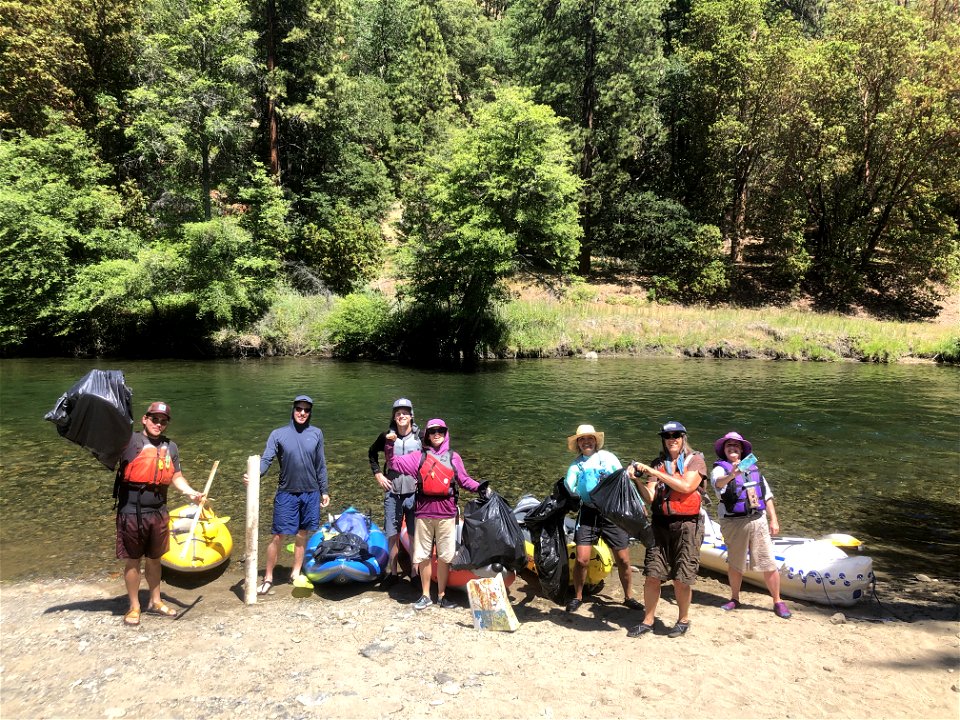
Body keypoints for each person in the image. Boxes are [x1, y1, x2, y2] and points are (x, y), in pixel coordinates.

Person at [115, 401, 205, 627]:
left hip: (158, 511)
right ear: (144, 419)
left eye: (163, 421)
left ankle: (155, 600)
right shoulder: (128, 441)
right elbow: (106, 445)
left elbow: (175, 477)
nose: (158, 424)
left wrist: (191, 492)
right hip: (131, 511)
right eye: (154, 419)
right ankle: (134, 606)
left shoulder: (170, 447)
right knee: (133, 560)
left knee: (155, 560)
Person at [384, 418, 489, 610]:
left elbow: (464, 480)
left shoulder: (453, 457)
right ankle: (425, 595)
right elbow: (394, 464)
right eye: (432, 431)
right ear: (427, 435)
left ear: (446, 432)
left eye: (440, 430)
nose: (436, 434)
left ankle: (442, 595)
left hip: (447, 513)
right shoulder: (419, 457)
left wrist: (481, 488)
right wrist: (390, 444)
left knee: (445, 556)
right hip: (424, 513)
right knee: (423, 555)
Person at [627, 420, 708, 638]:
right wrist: (636, 481)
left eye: (676, 435)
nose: (672, 439)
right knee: (653, 574)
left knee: (682, 577)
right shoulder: (658, 464)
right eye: (667, 436)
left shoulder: (696, 461)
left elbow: (686, 487)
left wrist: (653, 471)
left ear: (683, 438)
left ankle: (683, 619)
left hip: (688, 525)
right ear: (663, 440)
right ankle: (648, 619)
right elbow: (651, 496)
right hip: (660, 525)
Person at [247, 395, 330, 594]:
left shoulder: (316, 433)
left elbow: (320, 464)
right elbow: (266, 459)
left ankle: (295, 572)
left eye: (306, 410)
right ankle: (268, 577)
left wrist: (324, 490)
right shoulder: (278, 434)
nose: (302, 413)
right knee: (278, 535)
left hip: (311, 493)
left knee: (302, 534)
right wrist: (254, 474)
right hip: (287, 493)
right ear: (293, 410)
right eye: (299, 409)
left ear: (310, 413)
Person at [710, 431, 791, 619]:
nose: (732, 448)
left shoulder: (753, 469)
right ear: (724, 450)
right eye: (729, 445)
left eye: (736, 445)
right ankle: (735, 598)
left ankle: (777, 601)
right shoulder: (719, 470)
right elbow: (718, 484)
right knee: (736, 562)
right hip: (733, 522)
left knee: (768, 561)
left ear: (741, 451)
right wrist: (732, 474)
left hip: (757, 520)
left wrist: (774, 520)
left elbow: (767, 495)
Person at [563, 424, 641, 613]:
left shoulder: (608, 458)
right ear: (578, 444)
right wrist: (569, 492)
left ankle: (629, 596)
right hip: (588, 513)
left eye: (590, 438)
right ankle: (578, 596)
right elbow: (569, 484)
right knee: (582, 560)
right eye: (582, 439)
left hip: (611, 512)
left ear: (595, 441)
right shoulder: (576, 465)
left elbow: (624, 482)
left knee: (622, 559)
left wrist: (638, 504)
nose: (586, 442)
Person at [368, 398, 421, 587]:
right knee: (392, 532)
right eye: (398, 413)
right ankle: (393, 572)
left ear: (411, 416)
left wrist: (424, 480)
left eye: (405, 413)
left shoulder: (420, 437)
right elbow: (371, 453)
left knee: (414, 533)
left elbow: (431, 459)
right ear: (394, 417)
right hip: (392, 491)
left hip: (414, 492)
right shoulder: (387, 437)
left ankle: (415, 573)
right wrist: (379, 475)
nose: (401, 416)